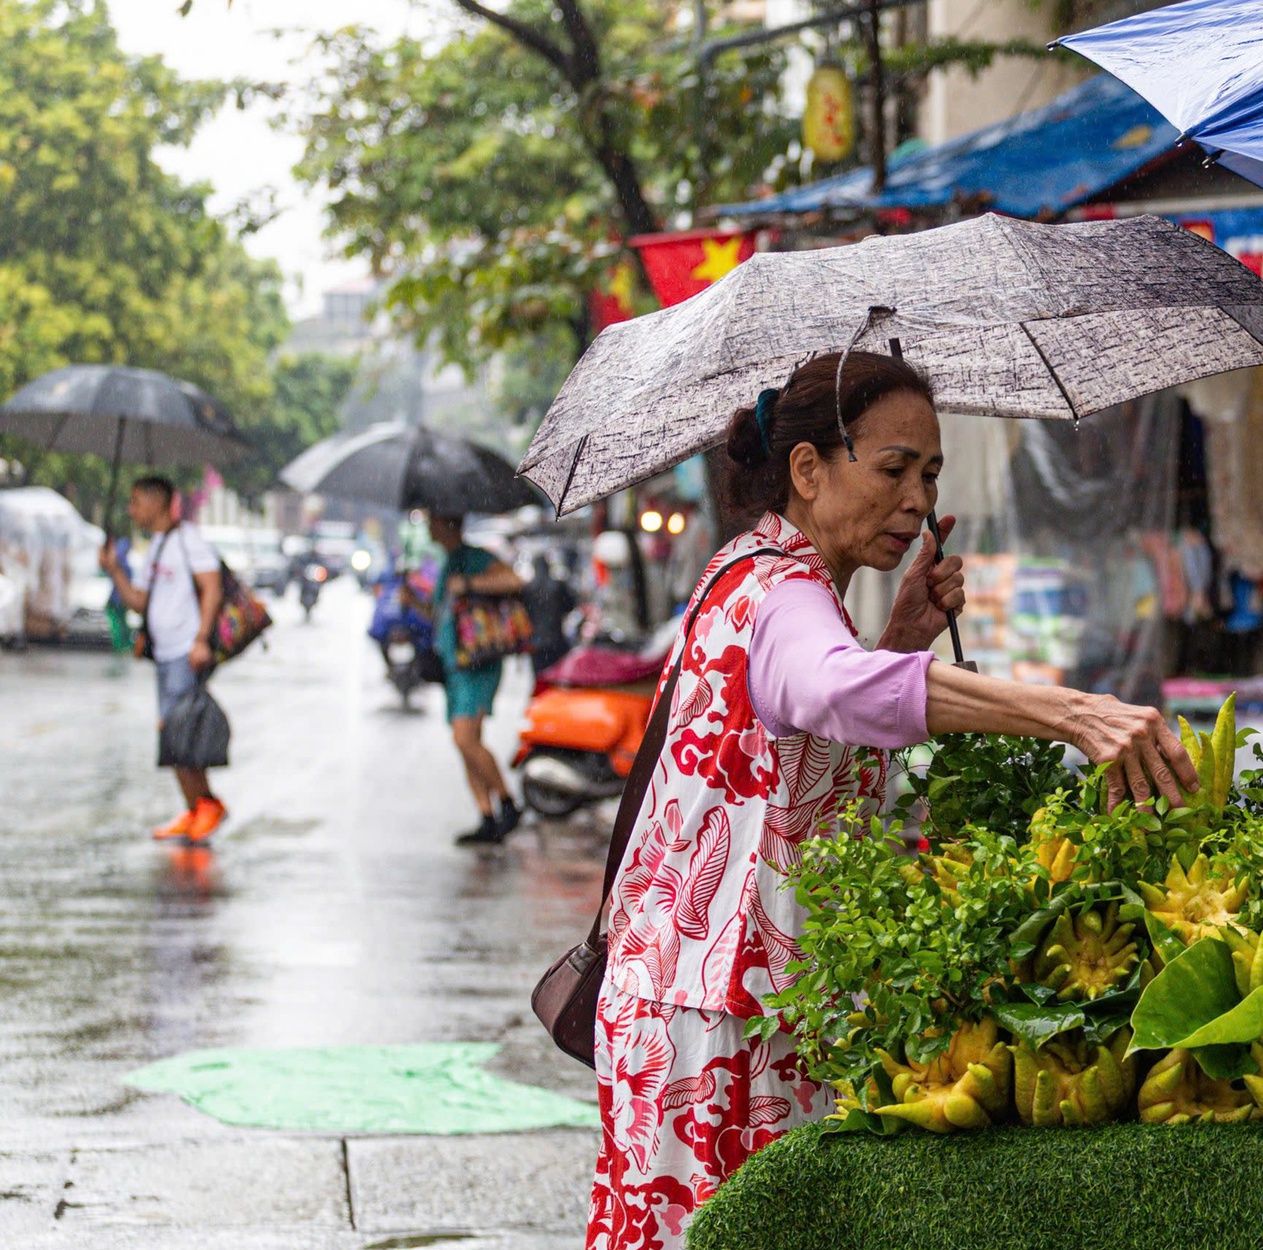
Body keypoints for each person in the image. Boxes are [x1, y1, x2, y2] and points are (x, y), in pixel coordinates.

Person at [589, 351, 1198, 1249]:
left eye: (931, 473)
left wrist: (901, 635)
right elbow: (832, 689)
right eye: (892, 469)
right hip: (721, 1030)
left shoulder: (755, 576)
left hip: (694, 1004)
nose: (917, 500)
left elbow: (799, 733)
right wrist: (1072, 712)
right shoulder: (785, 592)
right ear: (808, 469)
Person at [98, 476, 227, 842]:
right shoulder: (155, 547)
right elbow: (140, 601)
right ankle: (195, 808)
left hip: (187, 652)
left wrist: (201, 639)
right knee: (171, 733)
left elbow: (212, 588)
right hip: (165, 654)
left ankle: (207, 805)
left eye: (136, 501)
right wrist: (115, 570)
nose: (131, 509)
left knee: (182, 733)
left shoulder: (188, 540)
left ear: (159, 502)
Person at [429, 513, 526, 846]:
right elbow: (441, 614)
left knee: (465, 739)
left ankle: (508, 803)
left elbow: (514, 581)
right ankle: (486, 817)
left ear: (448, 522)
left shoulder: (474, 557)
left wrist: (470, 584)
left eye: (434, 518)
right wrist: (411, 599)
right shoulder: (448, 563)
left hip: (477, 664)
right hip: (454, 665)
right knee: (467, 745)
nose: (430, 525)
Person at [519, 553, 577, 675]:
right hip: (557, 639)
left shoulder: (527, 589)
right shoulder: (558, 586)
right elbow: (570, 606)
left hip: (537, 642)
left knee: (541, 678)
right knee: (560, 675)